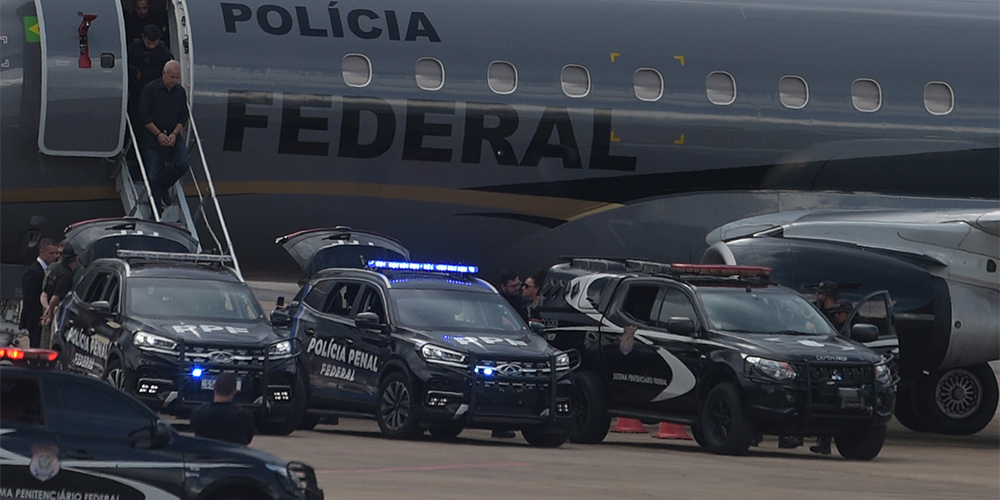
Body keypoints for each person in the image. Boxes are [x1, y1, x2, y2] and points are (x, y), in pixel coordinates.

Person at [138, 60, 190, 210]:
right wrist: (158, 134)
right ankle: (156, 209)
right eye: (171, 77)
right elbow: (143, 116)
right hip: (153, 136)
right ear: (164, 74)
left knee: (183, 163)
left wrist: (174, 133)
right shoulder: (150, 89)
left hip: (172, 135)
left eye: (177, 78)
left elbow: (183, 116)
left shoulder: (180, 92)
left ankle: (163, 187)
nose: (174, 81)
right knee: (153, 174)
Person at [189, 372, 256, 445]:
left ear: (214, 387)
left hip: (206, 454)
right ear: (235, 391)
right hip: (233, 455)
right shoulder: (245, 417)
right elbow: (248, 438)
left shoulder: (198, 413)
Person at [127, 25, 173, 123]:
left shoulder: (164, 53)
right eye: (148, 43)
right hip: (136, 90)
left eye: (154, 43)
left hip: (155, 92)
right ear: (143, 37)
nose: (151, 46)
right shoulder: (133, 49)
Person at [20, 239, 58, 348]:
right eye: (51, 253)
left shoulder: (50, 270)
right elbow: (29, 299)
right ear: (42, 252)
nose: (54, 256)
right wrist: (36, 321)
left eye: (56, 253)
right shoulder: (33, 272)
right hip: (36, 320)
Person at [39, 245, 81, 341]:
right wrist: (50, 313)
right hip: (58, 315)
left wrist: (47, 308)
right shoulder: (67, 275)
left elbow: (44, 294)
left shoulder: (55, 270)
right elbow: (55, 299)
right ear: (76, 259)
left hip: (50, 310)